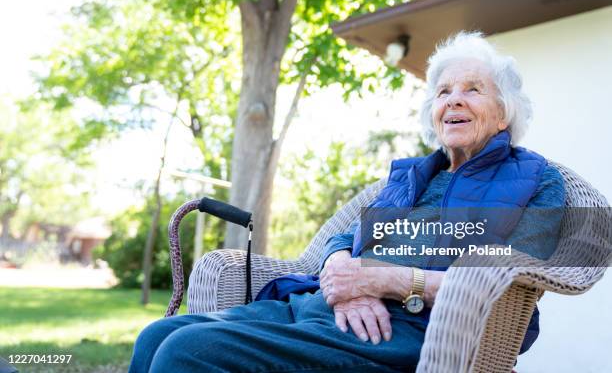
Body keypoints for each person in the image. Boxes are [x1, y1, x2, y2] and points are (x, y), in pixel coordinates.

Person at [128, 31, 564, 372]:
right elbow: (347, 237)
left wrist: (382, 281)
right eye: (443, 91)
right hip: (320, 308)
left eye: (472, 89)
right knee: (156, 336)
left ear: (504, 112)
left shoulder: (537, 182)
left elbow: (507, 282)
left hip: (407, 333)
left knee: (187, 354)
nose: (452, 99)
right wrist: (341, 269)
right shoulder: (413, 175)